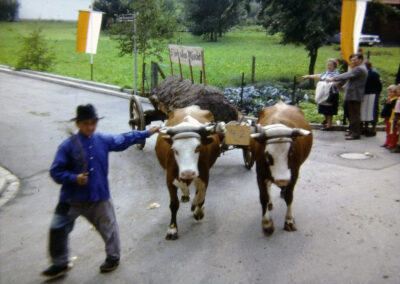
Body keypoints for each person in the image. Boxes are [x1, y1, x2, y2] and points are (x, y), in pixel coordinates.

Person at [41, 104, 160, 279]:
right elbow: (55, 171)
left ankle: (113, 257)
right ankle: (59, 264)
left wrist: (147, 133)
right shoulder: (67, 146)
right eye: (86, 123)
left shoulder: (102, 140)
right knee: (57, 228)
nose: (90, 127)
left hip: (99, 197)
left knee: (109, 228)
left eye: (93, 123)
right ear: (78, 124)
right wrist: (74, 178)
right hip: (71, 200)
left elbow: (122, 139)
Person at [327, 53, 368, 140]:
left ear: (360, 59)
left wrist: (334, 78)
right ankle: (353, 131)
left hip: (354, 95)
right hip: (353, 95)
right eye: (352, 60)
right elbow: (351, 78)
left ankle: (355, 134)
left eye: (354, 60)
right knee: (352, 114)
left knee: (354, 115)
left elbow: (348, 75)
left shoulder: (359, 69)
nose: (353, 62)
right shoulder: (359, 68)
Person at [302, 58, 340, 130]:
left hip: (331, 95)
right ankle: (326, 121)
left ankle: (329, 125)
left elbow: (337, 83)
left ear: (334, 66)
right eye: (328, 65)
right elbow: (318, 76)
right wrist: (308, 76)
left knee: (329, 110)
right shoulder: (326, 73)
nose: (329, 66)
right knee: (323, 109)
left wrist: (330, 83)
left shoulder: (336, 74)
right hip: (323, 94)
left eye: (330, 65)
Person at [361, 60, 382, 137]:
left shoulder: (373, 74)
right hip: (365, 94)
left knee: (373, 111)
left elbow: (379, 84)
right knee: (365, 111)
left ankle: (373, 129)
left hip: (372, 94)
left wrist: (378, 92)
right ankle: (365, 128)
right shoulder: (364, 74)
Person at [380, 85, 398, 151]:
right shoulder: (390, 99)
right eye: (389, 92)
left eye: (392, 92)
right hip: (387, 118)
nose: (390, 94)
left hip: (392, 118)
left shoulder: (395, 100)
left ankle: (391, 144)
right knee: (388, 131)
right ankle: (387, 142)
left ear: (396, 93)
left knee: (392, 131)